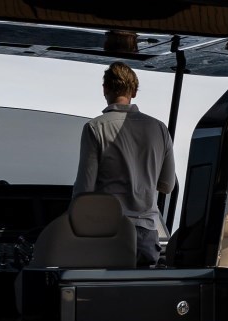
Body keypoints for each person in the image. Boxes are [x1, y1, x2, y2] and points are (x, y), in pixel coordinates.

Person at [72, 62, 176, 265]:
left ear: (105, 89)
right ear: (134, 92)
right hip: (146, 234)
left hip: (109, 231)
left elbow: (85, 189)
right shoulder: (159, 128)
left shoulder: (95, 128)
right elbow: (167, 185)